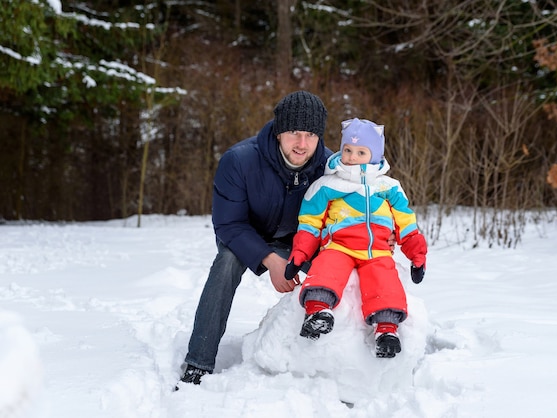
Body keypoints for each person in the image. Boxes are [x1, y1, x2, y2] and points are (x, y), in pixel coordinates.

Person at [178, 91, 332, 387]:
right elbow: (228, 223)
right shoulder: (239, 160)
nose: (302, 144)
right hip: (245, 235)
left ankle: (341, 356)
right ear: (278, 132)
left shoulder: (329, 167)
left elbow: (352, 214)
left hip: (300, 240)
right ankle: (198, 362)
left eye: (310, 135)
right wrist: (270, 260)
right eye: (294, 133)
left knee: (338, 263)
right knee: (225, 263)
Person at [284, 117, 428, 358]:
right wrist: (300, 253)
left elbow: (406, 223)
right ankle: (318, 311)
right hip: (339, 246)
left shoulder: (389, 187)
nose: (351, 157)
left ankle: (387, 329)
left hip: (377, 251)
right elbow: (309, 222)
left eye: (361, 152)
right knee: (327, 267)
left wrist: (417, 254)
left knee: (384, 278)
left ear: (374, 156)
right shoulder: (328, 184)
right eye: (348, 150)